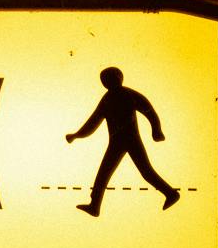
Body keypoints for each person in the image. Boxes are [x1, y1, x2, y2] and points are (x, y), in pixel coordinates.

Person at [66, 67, 180, 216]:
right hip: (116, 142)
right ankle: (95, 205)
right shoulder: (107, 99)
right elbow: (93, 122)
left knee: (144, 171)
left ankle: (170, 193)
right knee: (105, 173)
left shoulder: (127, 94)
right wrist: (76, 135)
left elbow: (149, 111)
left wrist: (156, 130)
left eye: (109, 78)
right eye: (104, 80)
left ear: (119, 78)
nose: (107, 82)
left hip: (131, 140)